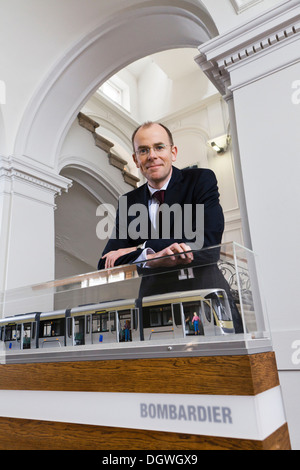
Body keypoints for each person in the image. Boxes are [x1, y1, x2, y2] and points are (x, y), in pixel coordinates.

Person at [98, 122, 243, 333]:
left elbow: (207, 245)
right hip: (154, 309)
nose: (152, 155)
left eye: (159, 147)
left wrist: (142, 249)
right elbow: (105, 263)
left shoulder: (200, 181)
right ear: (136, 160)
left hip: (205, 301)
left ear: (173, 152)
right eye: (144, 150)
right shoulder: (129, 202)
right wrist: (150, 257)